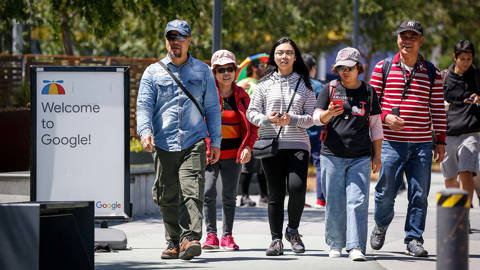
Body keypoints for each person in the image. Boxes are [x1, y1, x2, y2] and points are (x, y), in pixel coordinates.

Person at [136, 19, 221, 260]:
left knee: (191, 190)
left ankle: (191, 238)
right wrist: (145, 131)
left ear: (189, 40)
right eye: (171, 37)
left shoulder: (202, 71)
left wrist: (215, 141)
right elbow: (144, 106)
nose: (175, 42)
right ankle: (173, 240)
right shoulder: (152, 72)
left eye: (180, 37)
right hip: (163, 142)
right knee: (166, 194)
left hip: (193, 141)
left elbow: (213, 108)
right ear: (166, 41)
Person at [369, 20, 447, 257]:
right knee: (385, 192)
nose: (407, 40)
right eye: (404, 36)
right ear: (397, 39)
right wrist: (386, 118)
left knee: (419, 193)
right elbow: (371, 105)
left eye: (413, 36)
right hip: (391, 142)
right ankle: (381, 225)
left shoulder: (432, 71)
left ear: (421, 40)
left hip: (422, 144)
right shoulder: (382, 67)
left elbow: (437, 109)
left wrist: (441, 140)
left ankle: (414, 238)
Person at [246, 37, 316, 256]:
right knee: (275, 194)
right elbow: (251, 113)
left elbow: (311, 117)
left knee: (297, 188)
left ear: (295, 57)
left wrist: (291, 120)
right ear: (273, 57)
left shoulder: (304, 84)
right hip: (271, 144)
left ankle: (292, 231)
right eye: (279, 52)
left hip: (297, 144)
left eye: (288, 52)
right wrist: (267, 119)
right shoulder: (264, 84)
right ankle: (276, 240)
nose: (283, 56)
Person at [313, 47, 383, 261]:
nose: (344, 71)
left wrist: (377, 156)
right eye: (340, 67)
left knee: (358, 200)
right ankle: (335, 243)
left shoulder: (369, 92)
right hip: (331, 155)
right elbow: (316, 118)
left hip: (360, 156)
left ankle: (355, 246)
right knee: (334, 201)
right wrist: (327, 114)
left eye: (349, 68)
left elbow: (376, 126)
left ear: (358, 68)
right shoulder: (330, 89)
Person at [202, 49, 258, 251]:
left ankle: (227, 236)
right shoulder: (207, 95)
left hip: (234, 154)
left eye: (230, 69)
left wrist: (248, 147)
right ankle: (210, 235)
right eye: (220, 70)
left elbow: (252, 126)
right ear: (214, 73)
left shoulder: (242, 96)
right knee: (208, 192)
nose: (226, 73)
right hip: (211, 153)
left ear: (235, 71)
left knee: (229, 195)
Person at [441, 40, 480, 218]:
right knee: (450, 178)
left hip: (470, 132)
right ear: (454, 57)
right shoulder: (444, 77)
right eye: (462, 58)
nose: (466, 62)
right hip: (448, 133)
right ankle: (458, 209)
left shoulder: (477, 76)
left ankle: (463, 218)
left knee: (466, 172)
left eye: (469, 59)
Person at [238, 59, 269, 207]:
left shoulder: (262, 83)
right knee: (249, 163)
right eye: (260, 66)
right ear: (253, 68)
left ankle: (264, 196)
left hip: (261, 128)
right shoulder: (247, 82)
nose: (263, 68)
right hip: (250, 128)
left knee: (262, 164)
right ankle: (244, 196)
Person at [302, 53, 325, 208]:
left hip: (299, 131)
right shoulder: (319, 86)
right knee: (319, 163)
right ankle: (320, 198)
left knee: (299, 165)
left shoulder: (295, 85)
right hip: (317, 131)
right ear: (312, 69)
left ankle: (300, 199)